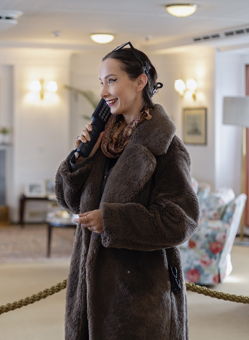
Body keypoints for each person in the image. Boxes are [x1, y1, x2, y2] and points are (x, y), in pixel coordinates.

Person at [55, 42, 199, 340]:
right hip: (88, 292)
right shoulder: (103, 141)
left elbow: (180, 221)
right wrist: (79, 158)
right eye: (101, 83)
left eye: (112, 80)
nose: (104, 92)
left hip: (138, 301)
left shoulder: (167, 149)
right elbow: (69, 201)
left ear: (140, 81)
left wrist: (112, 221)